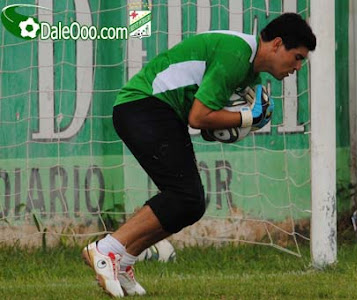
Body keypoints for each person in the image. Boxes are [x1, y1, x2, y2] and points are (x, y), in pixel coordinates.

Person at [82, 12, 316, 297]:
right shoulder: (236, 55)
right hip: (143, 107)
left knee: (191, 204)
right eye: (298, 57)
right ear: (278, 44)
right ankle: (106, 250)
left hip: (158, 112)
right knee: (183, 195)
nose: (299, 67)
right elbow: (199, 117)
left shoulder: (248, 71)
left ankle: (124, 260)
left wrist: (241, 120)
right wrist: (245, 119)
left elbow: (207, 127)